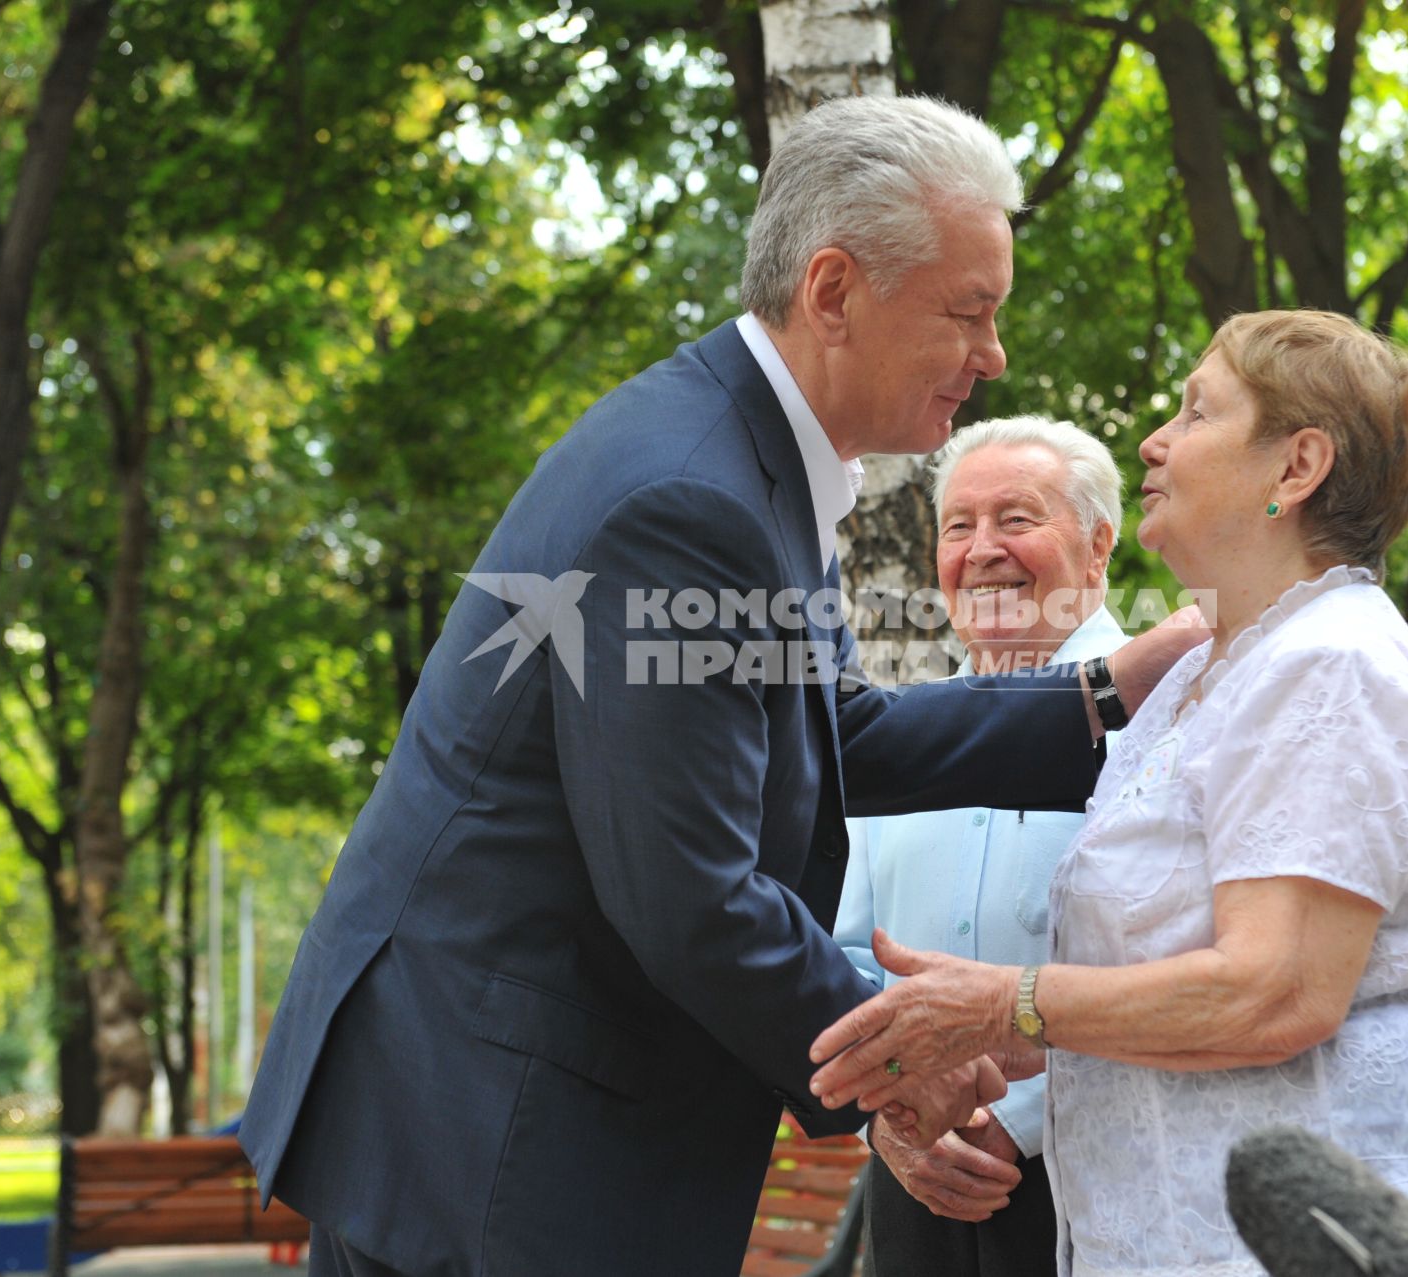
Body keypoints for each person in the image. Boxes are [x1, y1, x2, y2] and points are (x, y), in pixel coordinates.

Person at [239, 95, 1205, 1277]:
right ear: (836, 290)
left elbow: (843, 732)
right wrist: (902, 1061)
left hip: (511, 1108)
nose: (993, 356)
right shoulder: (689, 503)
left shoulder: (754, 467)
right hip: (499, 1134)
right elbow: (689, 894)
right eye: (970, 311)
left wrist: (1105, 690)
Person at [807, 309, 1408, 1276]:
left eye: (1197, 413)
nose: (1155, 441)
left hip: (1325, 1235)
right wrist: (957, 1057)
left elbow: (1273, 990)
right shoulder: (1205, 682)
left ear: (1296, 468)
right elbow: (1158, 981)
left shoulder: (1333, 665)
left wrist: (1003, 1006)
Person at [834, 416, 1127, 1276]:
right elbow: (845, 947)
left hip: (1103, 1176)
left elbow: (1183, 956)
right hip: (911, 1179)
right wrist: (886, 1113)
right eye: (958, 526)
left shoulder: (1165, 718)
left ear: (1099, 547)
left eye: (1018, 519)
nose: (983, 549)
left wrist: (1015, 1115)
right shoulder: (897, 735)